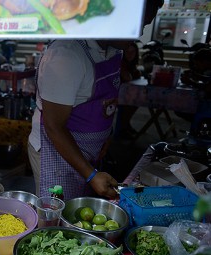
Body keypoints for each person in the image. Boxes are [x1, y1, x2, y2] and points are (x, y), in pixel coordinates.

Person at [32, 0, 163, 200]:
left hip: (89, 153)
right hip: (56, 154)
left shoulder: (113, 50)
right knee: (57, 218)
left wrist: (106, 135)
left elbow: (106, 100)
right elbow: (54, 126)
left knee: (79, 208)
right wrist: (91, 174)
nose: (139, 35)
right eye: (137, 26)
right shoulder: (66, 55)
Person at [117, 41, 142, 139]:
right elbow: (127, 78)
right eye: (127, 51)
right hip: (117, 94)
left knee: (136, 101)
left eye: (133, 52)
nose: (130, 54)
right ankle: (123, 127)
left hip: (127, 93)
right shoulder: (121, 63)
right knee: (129, 104)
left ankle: (126, 125)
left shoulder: (132, 65)